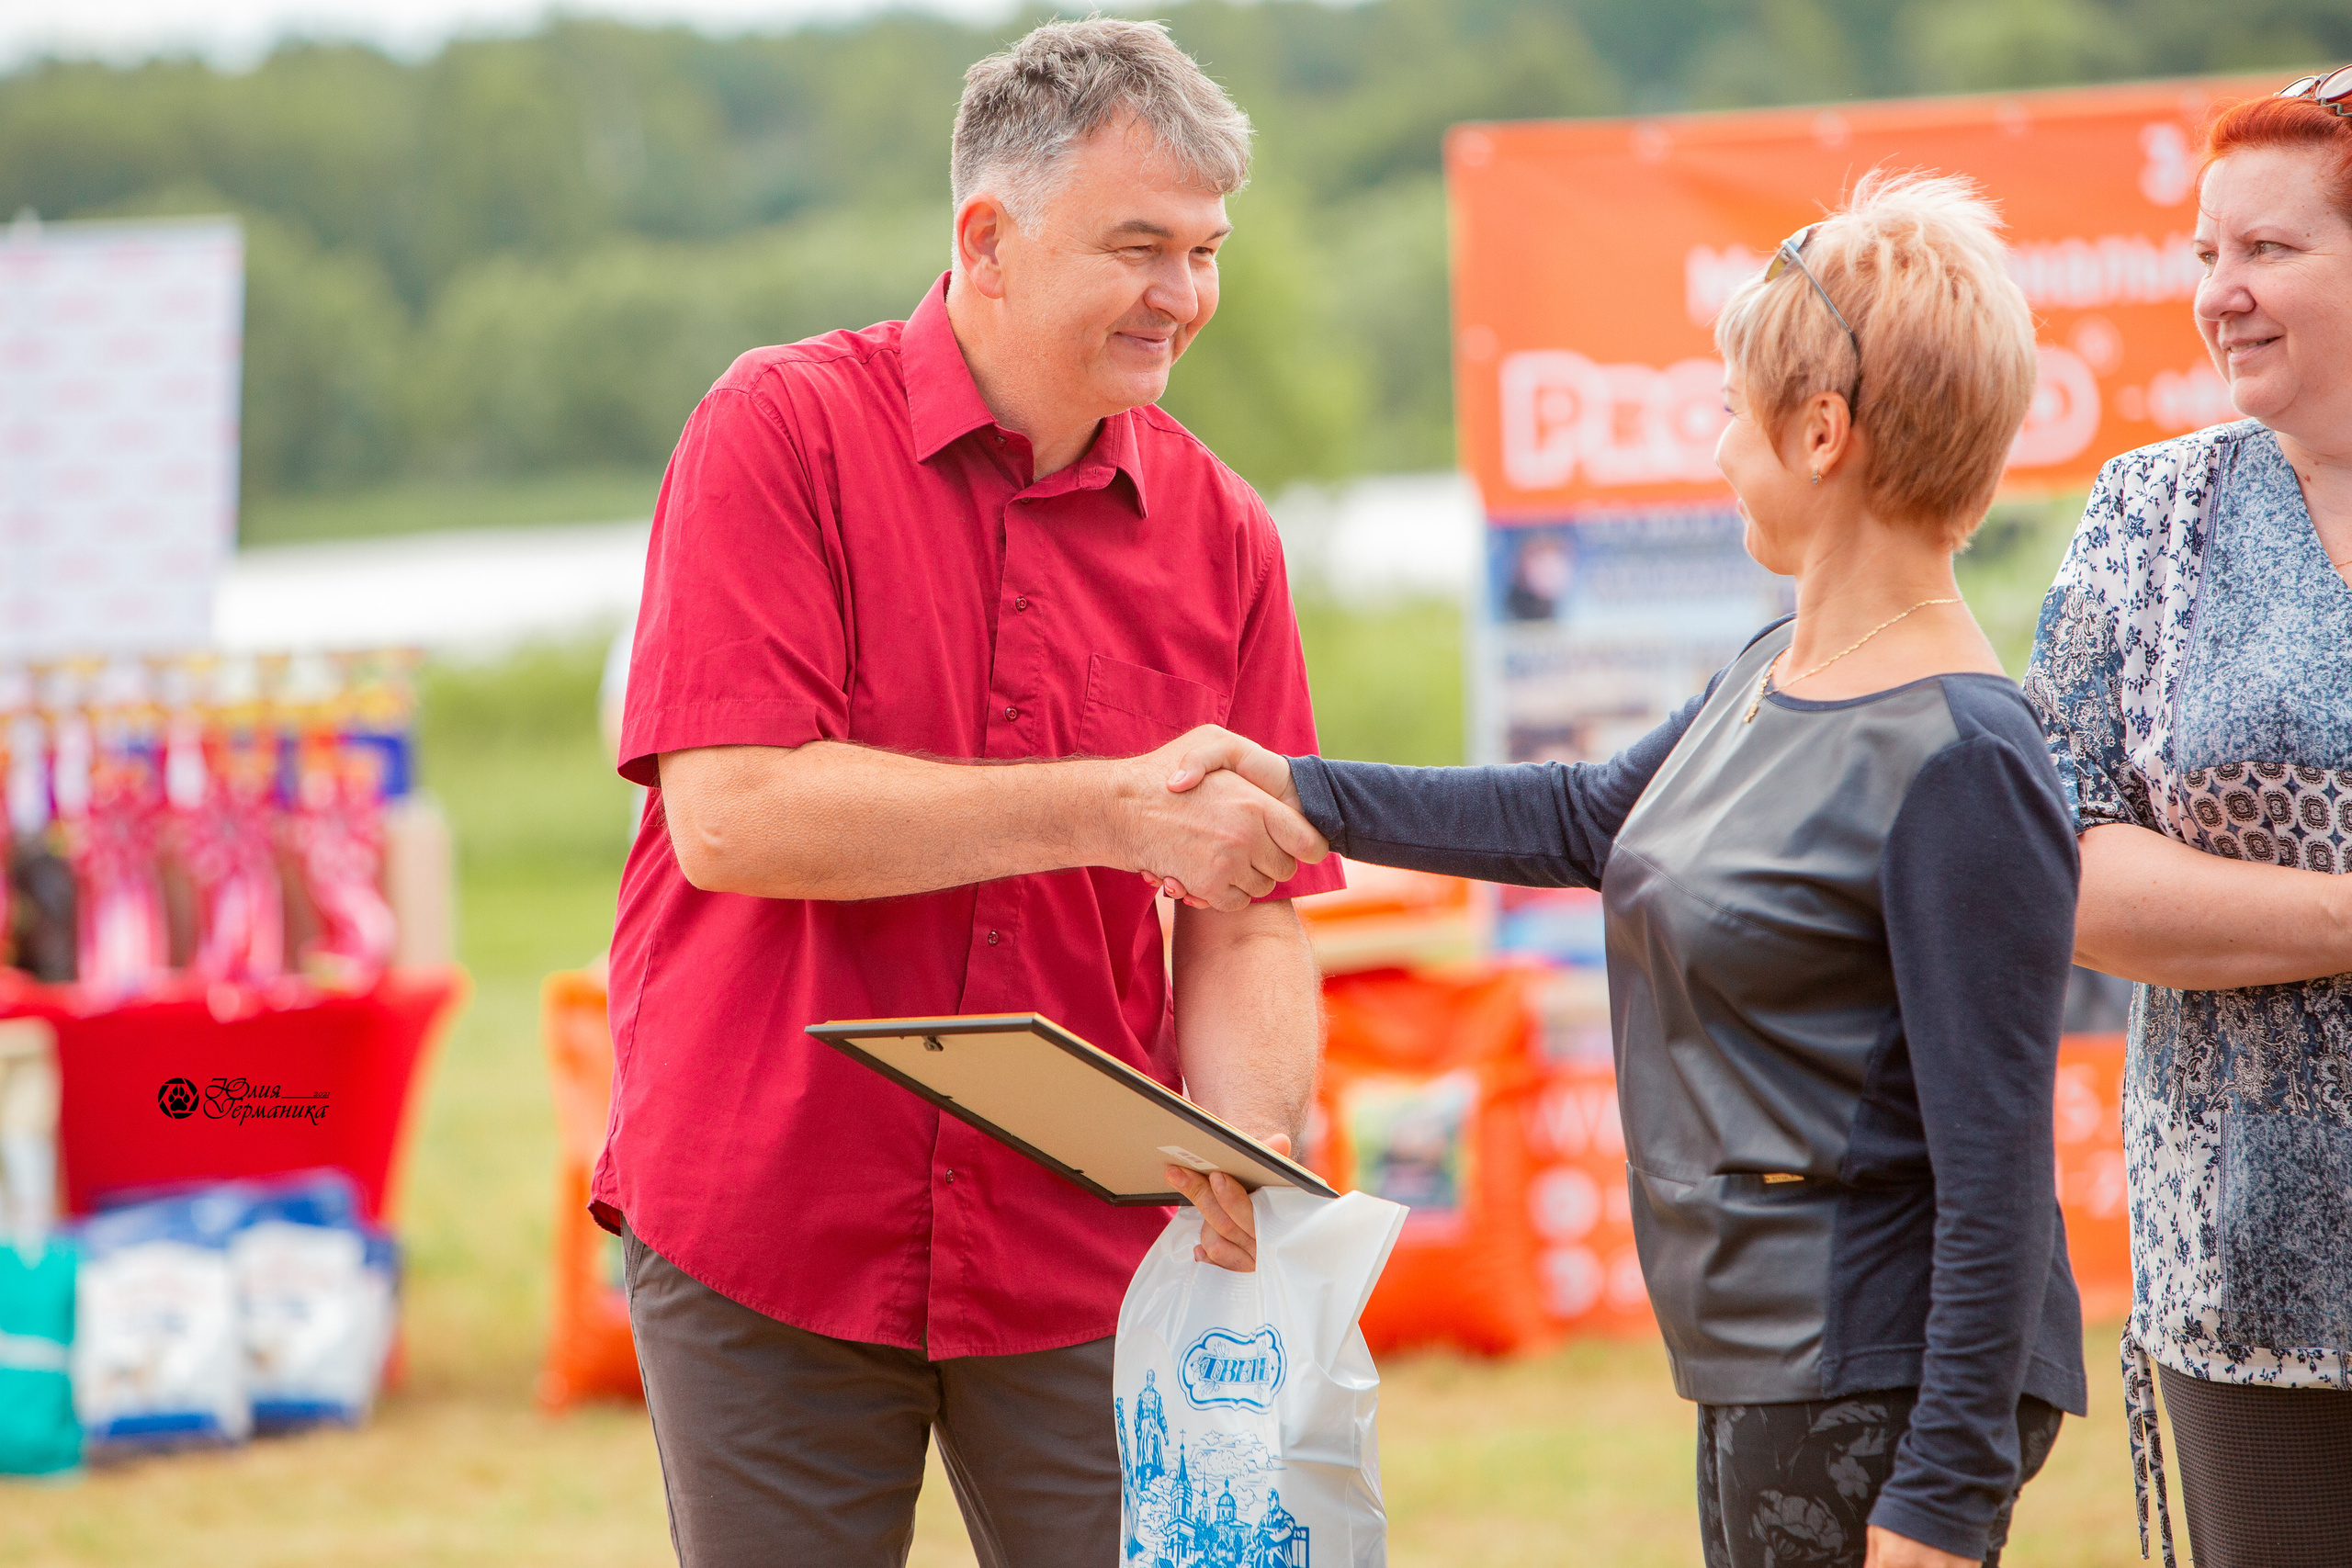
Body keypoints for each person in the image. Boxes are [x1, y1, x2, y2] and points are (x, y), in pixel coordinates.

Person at [1157, 172, 2086, 1568]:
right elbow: (1582, 819)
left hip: (1868, 1383)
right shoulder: (1765, 676)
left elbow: (2001, 1175)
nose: (1715, 450)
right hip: (1760, 1367)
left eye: (1728, 412)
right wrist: (1296, 787)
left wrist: (1942, 1504)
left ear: (1820, 432)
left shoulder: (1965, 758)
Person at [597, 20, 1342, 1567]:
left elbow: (1252, 916)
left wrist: (1248, 1138)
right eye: (1139, 247)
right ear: (985, 240)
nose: (1184, 297)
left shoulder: (1227, 535)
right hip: (770, 1220)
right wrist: (1109, 811)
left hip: (1084, 1250)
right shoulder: (776, 430)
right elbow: (736, 813)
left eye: (1203, 251)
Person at [2020, 75, 2352, 1568]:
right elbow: (2066, 865)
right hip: (2248, 1280)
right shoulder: (2152, 515)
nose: (2219, 294)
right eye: (2207, 253)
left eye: (2269, 253)